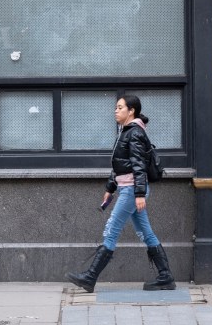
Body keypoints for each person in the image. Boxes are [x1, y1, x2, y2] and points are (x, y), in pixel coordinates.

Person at [66, 94, 175, 293]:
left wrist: (140, 193)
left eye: (120, 107)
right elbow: (119, 166)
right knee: (146, 233)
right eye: (116, 107)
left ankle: (90, 277)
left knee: (112, 229)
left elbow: (138, 166)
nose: (116, 111)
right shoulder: (126, 132)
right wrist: (110, 189)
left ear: (131, 110)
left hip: (132, 190)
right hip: (128, 188)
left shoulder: (134, 133)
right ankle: (166, 277)